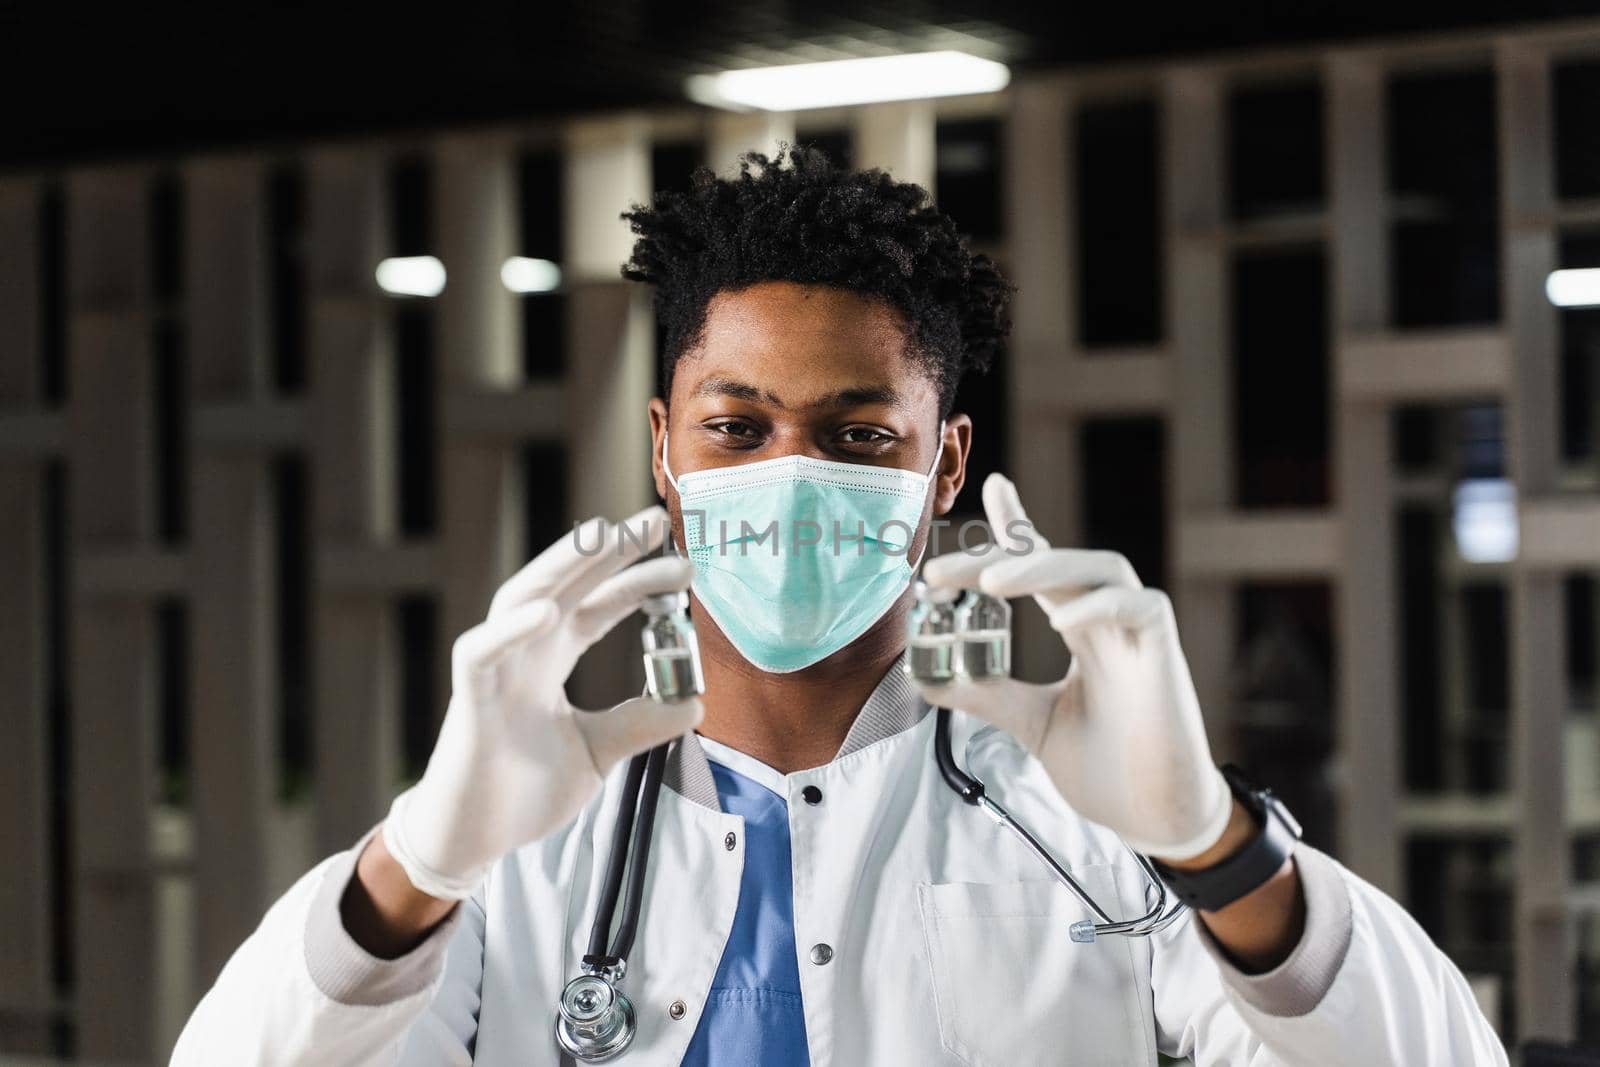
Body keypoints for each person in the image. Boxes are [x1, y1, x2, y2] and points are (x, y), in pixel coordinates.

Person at [171, 144, 1506, 1065]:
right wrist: (415, 865)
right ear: (662, 449)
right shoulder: (517, 841)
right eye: (737, 425)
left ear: (949, 464)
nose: (792, 475)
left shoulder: (1090, 832)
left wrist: (1212, 845)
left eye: (860, 436)